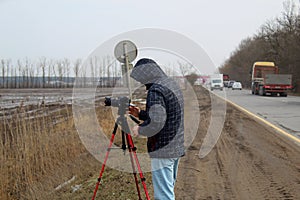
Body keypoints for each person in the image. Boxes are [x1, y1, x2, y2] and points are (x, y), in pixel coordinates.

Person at [129, 58, 185, 200]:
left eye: (141, 79)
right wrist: (140, 114)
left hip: (163, 150)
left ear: (146, 75)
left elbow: (157, 122)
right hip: (175, 147)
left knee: (163, 196)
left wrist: (140, 129)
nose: (141, 83)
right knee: (168, 189)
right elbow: (164, 114)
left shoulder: (156, 91)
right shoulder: (171, 84)